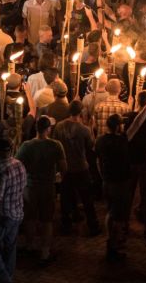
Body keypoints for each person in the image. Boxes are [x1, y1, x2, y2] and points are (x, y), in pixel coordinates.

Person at [15, 115, 65, 266]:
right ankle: (45, 251)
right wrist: (59, 178)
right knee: (47, 220)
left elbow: (17, 165)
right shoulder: (56, 145)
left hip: (30, 187)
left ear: (36, 128)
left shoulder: (26, 146)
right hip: (47, 186)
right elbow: (64, 167)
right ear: (48, 129)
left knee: (29, 218)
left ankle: (30, 245)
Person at [51, 99, 100, 236]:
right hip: (80, 166)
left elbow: (55, 143)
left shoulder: (59, 126)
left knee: (66, 197)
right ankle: (93, 225)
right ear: (81, 111)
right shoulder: (83, 129)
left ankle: (66, 224)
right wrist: (91, 129)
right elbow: (91, 146)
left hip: (65, 167)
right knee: (86, 198)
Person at [0, 138, 27, 283]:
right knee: (10, 247)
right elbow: (23, 186)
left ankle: (4, 278)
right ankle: (9, 276)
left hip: (5, 215)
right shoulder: (19, 164)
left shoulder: (2, 170)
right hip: (17, 212)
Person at [96, 113, 133, 261]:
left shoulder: (100, 141)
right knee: (118, 216)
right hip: (120, 182)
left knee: (110, 212)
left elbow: (98, 161)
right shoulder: (122, 140)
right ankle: (113, 246)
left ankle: (110, 241)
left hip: (107, 181)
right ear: (118, 126)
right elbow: (136, 125)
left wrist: (103, 176)